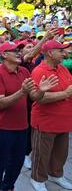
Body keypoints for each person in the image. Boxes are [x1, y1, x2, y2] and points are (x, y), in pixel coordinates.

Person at [0, 42, 57, 191]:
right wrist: (21, 92)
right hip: (3, 127)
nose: (19, 53)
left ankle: (7, 187)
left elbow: (34, 96)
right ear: (4, 55)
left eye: (20, 50)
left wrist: (42, 90)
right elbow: (0, 103)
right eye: (15, 50)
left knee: (18, 161)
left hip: (22, 125)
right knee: (0, 161)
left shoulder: (24, 71)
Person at [29, 40, 72, 191]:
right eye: (60, 50)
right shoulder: (39, 71)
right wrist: (65, 94)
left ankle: (56, 174)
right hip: (46, 122)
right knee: (41, 154)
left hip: (64, 121)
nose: (64, 53)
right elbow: (39, 98)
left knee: (61, 152)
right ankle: (37, 178)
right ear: (50, 53)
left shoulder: (63, 69)